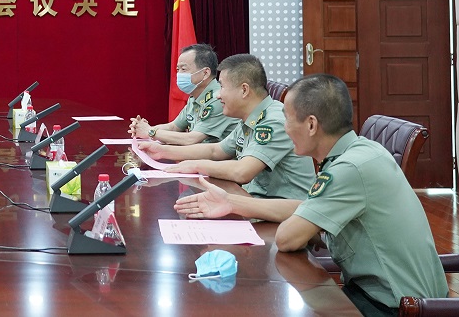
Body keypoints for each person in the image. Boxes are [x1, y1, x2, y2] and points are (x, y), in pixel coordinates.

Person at [174, 74, 448, 316]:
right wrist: (232, 202)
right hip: (379, 293)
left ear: (312, 125)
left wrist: (243, 206)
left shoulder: (348, 169)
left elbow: (287, 238)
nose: (284, 127)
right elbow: (309, 206)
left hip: (393, 306)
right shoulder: (360, 152)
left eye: (287, 118)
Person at [137, 53, 315, 199]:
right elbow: (215, 151)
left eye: (222, 87)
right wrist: (162, 151)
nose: (218, 95)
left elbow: (242, 172)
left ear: (244, 90)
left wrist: (195, 166)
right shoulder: (250, 117)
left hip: (285, 215)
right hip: (253, 200)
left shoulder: (273, 121)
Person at [129, 43, 239, 145]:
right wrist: (143, 128)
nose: (179, 74)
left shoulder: (218, 99)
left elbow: (191, 139)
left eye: (183, 69)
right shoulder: (195, 96)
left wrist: (150, 131)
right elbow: (173, 127)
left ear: (205, 73)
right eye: (178, 69)